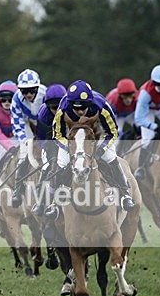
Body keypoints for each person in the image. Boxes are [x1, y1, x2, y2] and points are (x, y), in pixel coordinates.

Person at [47, 79, 135, 214]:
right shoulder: (63, 108)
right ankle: (52, 203)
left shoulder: (101, 106)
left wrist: (102, 148)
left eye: (83, 107)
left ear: (90, 103)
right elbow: (57, 134)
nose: (80, 111)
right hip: (73, 140)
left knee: (110, 157)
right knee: (61, 162)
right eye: (76, 108)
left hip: (97, 135)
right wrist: (70, 148)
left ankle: (125, 194)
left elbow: (112, 132)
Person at [9, 68, 47, 207]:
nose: (29, 94)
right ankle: (18, 190)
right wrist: (25, 140)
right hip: (26, 123)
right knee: (25, 152)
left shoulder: (45, 94)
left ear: (37, 88)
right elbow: (17, 122)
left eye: (32, 90)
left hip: (44, 121)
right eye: (25, 91)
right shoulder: (16, 100)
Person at [31, 83, 66, 216]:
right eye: (53, 108)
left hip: (70, 140)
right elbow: (41, 138)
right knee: (47, 168)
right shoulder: (43, 115)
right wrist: (51, 152)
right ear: (47, 106)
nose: (56, 111)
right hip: (50, 141)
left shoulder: (71, 109)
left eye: (59, 107)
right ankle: (41, 202)